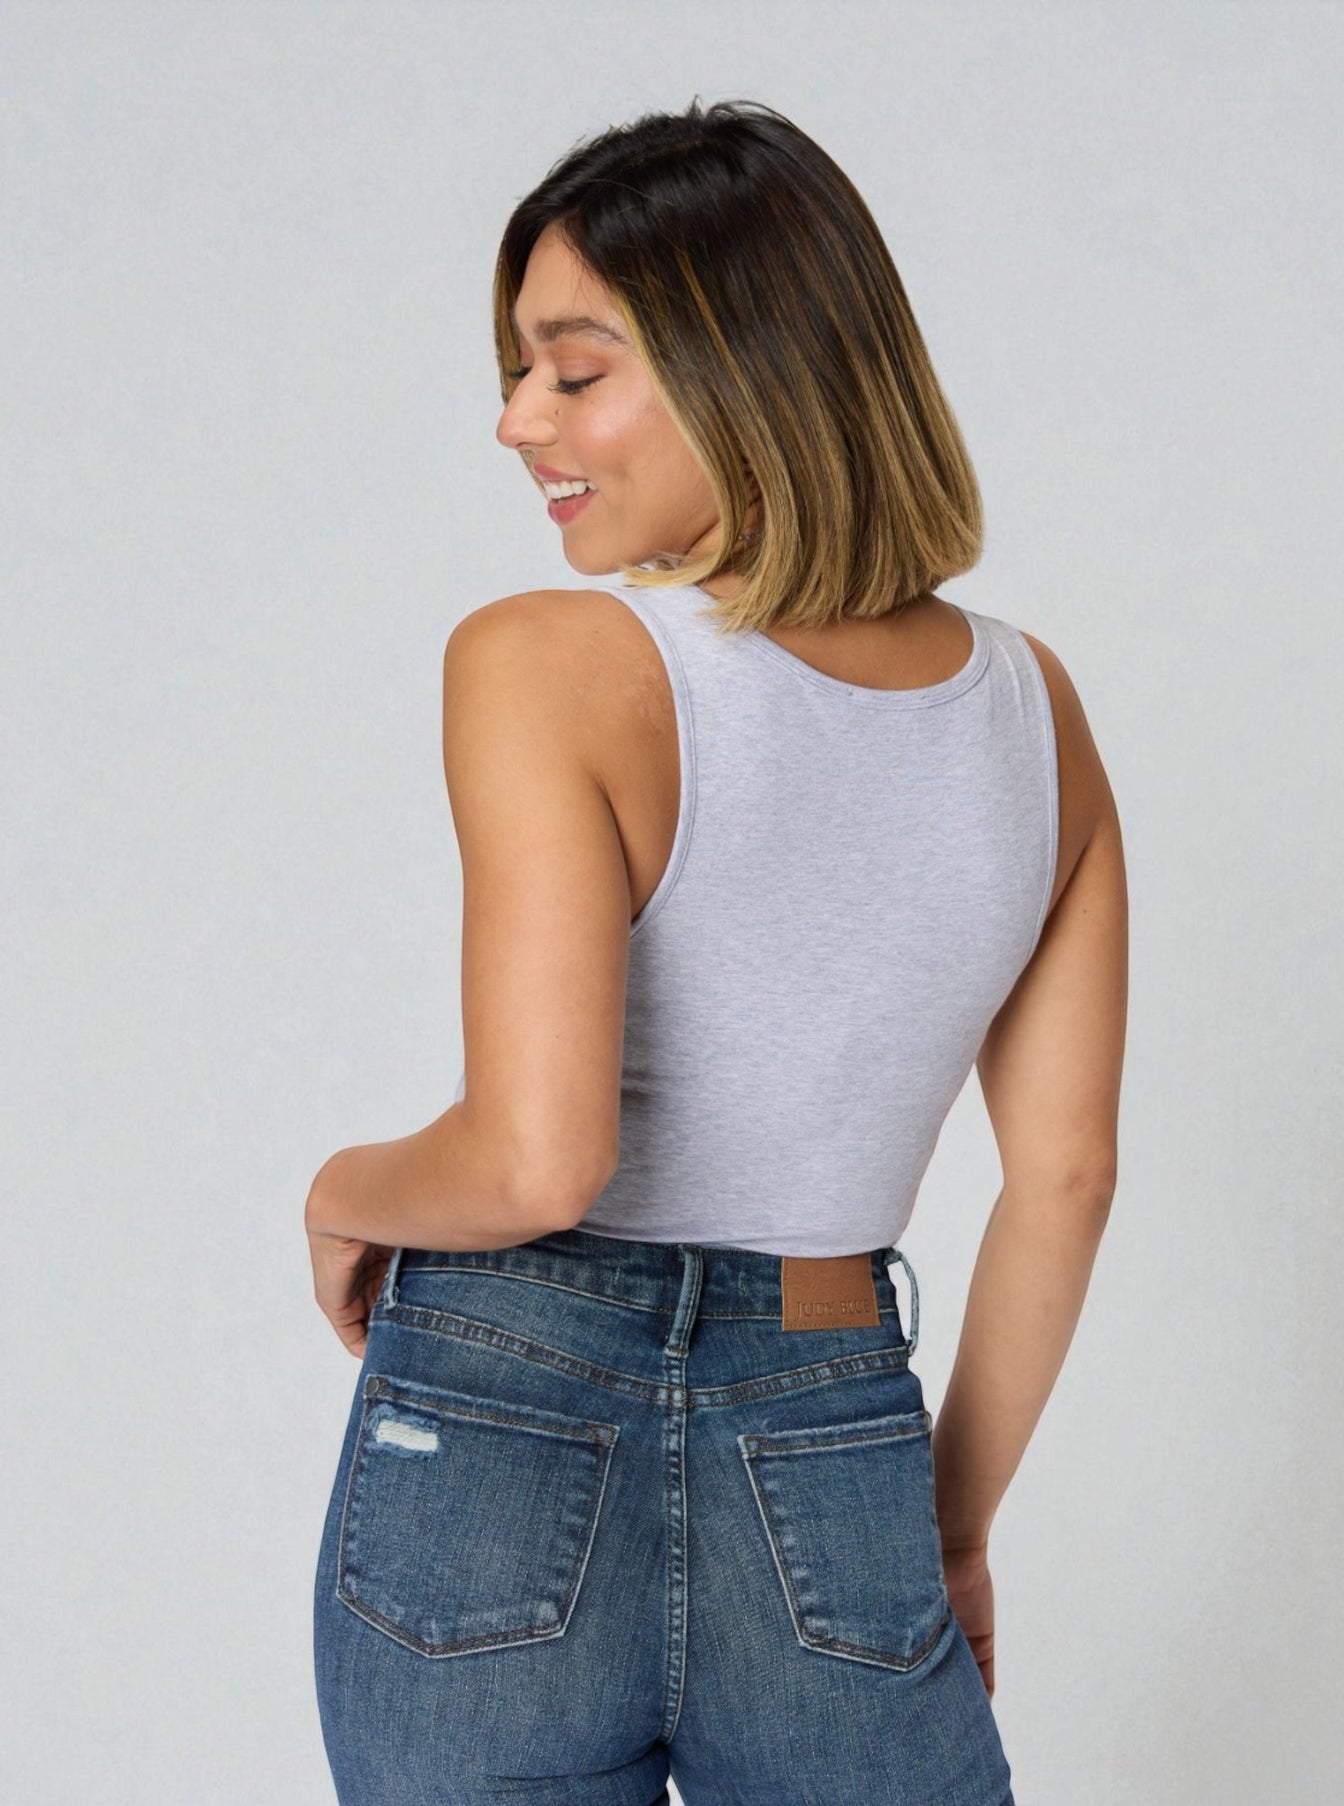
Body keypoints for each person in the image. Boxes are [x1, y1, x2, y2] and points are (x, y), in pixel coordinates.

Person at [306, 96, 1126, 1806]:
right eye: (521, 368)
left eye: (573, 368)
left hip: (501, 1410)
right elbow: (1062, 1179)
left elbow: (539, 1156)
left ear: (743, 362)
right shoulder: (1030, 713)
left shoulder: (547, 660)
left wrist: (341, 1188)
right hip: (829, 1430)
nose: (516, 415)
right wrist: (943, 1523)